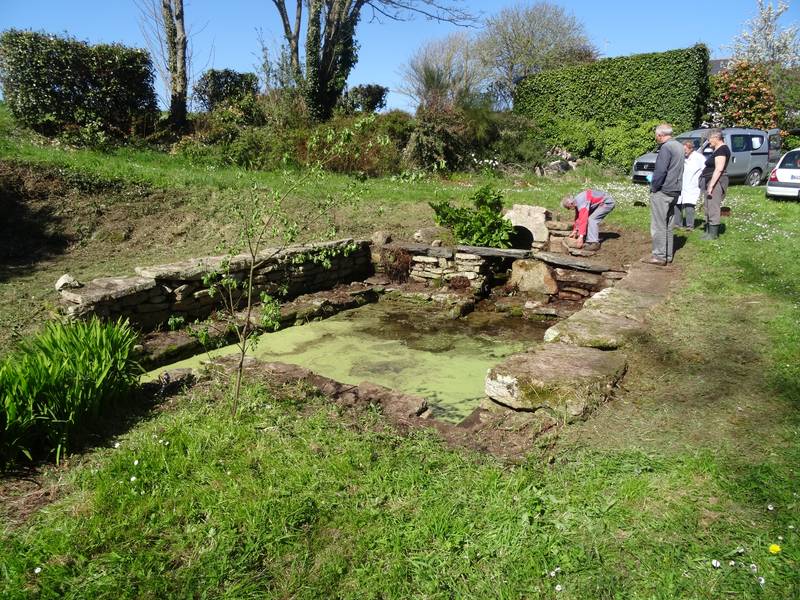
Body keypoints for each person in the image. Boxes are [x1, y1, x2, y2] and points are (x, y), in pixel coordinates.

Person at [644, 123, 684, 265]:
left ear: (660, 135)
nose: (656, 138)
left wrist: (654, 187)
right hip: (676, 190)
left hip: (664, 190)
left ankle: (659, 256)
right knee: (668, 224)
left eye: (656, 135)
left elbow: (661, 171)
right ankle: (667, 255)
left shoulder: (666, 148)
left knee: (658, 225)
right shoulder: (679, 146)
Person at [701, 129, 730, 240]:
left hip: (717, 181)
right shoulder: (717, 149)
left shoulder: (722, 150)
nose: (709, 142)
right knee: (708, 206)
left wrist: (711, 185)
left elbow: (718, 169)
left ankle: (713, 235)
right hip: (710, 179)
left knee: (713, 207)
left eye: (709, 139)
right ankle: (708, 231)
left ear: (716, 138)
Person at [673, 140, 706, 230]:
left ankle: (689, 225)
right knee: (677, 204)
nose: (684, 152)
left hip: (692, 184)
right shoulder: (681, 157)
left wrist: (702, 182)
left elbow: (705, 170)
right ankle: (677, 224)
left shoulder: (699, 157)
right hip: (680, 184)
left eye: (685, 150)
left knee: (689, 205)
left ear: (691, 149)